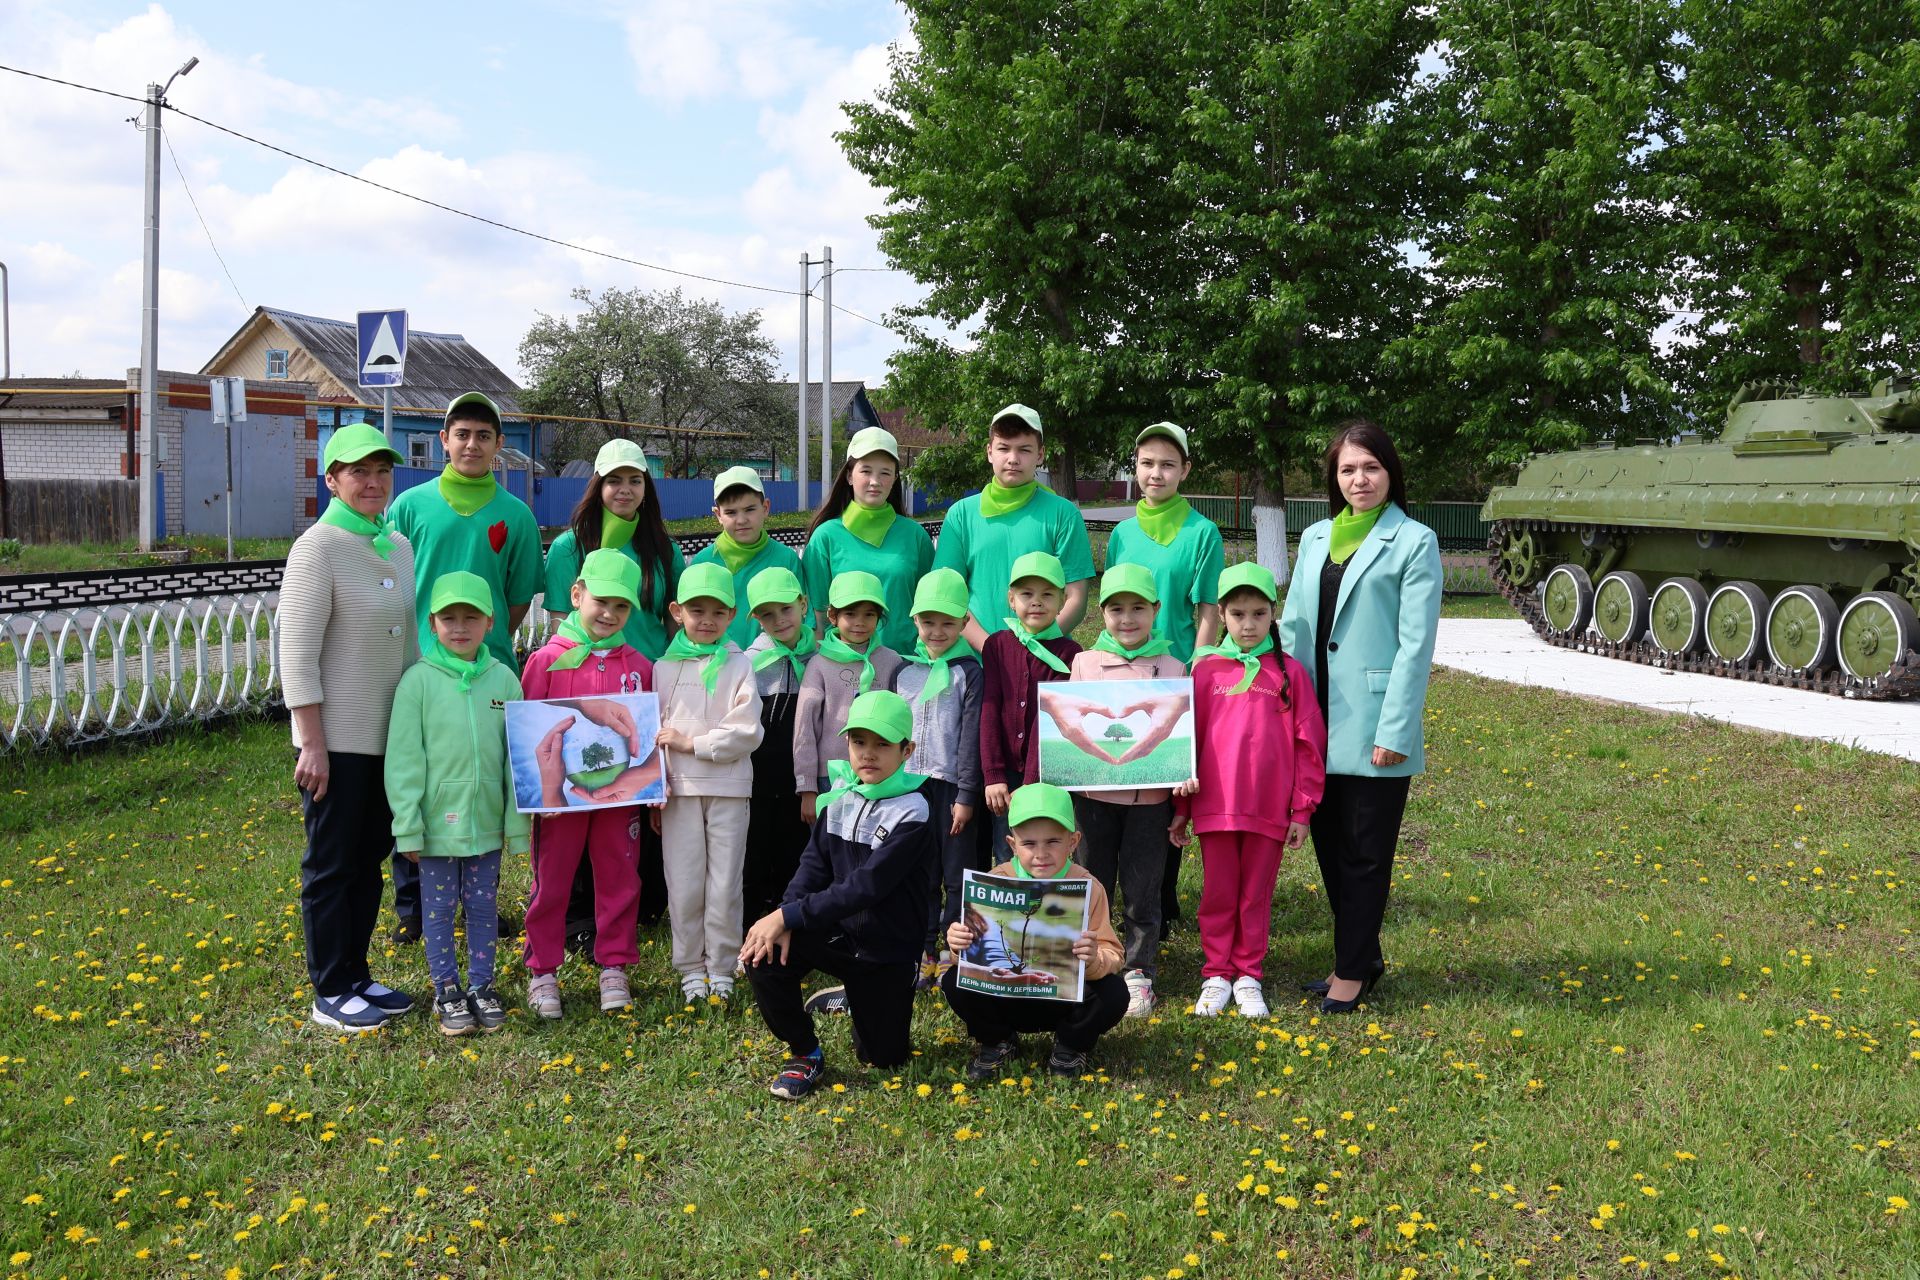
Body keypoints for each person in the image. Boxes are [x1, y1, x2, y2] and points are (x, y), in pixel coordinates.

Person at [1278, 420, 1441, 1014]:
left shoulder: (1415, 540)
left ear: (1391, 473)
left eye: (1370, 467)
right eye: (1348, 469)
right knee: (1327, 845)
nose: (1359, 479)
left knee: (1366, 852)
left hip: (1375, 722)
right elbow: (1296, 626)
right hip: (1315, 719)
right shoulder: (1317, 537)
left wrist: (1395, 731)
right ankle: (1363, 955)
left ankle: (1350, 971)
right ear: (1334, 478)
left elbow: (1414, 644)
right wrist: (1283, 708)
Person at [385, 392, 541, 945]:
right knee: (422, 773)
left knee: (484, 776)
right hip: (422, 668)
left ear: (499, 447)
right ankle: (413, 905)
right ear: (444, 441)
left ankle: (482, 899)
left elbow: (518, 596)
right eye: (461, 434)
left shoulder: (515, 515)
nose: (471, 444)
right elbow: (395, 586)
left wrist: (491, 640)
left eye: (483, 436)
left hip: (487, 669)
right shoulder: (409, 507)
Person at [281, 424, 418, 1029]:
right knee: (333, 862)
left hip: (390, 736)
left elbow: (411, 646)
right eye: (358, 471)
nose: (372, 481)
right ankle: (330, 988)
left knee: (371, 855)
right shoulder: (318, 546)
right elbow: (297, 650)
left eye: (381, 471)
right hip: (336, 739)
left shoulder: (397, 546)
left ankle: (357, 975)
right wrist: (311, 740)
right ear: (332, 479)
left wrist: (422, 726)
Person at [741, 690, 934, 1099]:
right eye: (859, 742)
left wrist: (789, 917)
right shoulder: (840, 801)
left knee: (883, 1058)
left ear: (907, 750)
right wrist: (784, 916)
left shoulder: (915, 811)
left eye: (883, 744)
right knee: (763, 953)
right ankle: (805, 1053)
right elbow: (812, 868)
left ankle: (854, 996)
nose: (868, 753)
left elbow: (865, 887)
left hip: (888, 951)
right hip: (839, 937)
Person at [541, 437, 683, 934]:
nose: (624, 489)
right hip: (584, 685)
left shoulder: (661, 549)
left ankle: (637, 905)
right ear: (597, 484)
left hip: (643, 685)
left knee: (631, 796)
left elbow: (671, 628)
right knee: (583, 787)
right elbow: (563, 624)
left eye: (634, 480)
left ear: (647, 487)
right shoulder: (568, 547)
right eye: (614, 479)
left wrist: (664, 682)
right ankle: (580, 912)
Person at [1174, 561, 1326, 1018]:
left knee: (1255, 894)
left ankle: (1248, 975)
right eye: (1238, 614)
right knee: (1219, 892)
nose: (1248, 624)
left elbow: (1309, 744)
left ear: (1272, 615)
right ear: (1221, 614)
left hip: (1268, 808)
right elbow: (1185, 742)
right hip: (1216, 807)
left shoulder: (1289, 673)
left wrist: (1302, 811)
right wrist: (1181, 808)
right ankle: (1217, 973)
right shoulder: (1203, 671)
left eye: (1259, 614)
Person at [383, 570, 529, 1036]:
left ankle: (481, 986)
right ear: (432, 622)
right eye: (449, 618)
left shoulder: (505, 680)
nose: (460, 627)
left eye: (471, 617)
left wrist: (517, 825)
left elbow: (517, 759)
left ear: (490, 622)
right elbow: (404, 761)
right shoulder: (417, 683)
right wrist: (408, 826)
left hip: (486, 823)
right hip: (435, 827)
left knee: (485, 907)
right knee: (439, 910)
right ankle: (447, 989)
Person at [1102, 421, 1227, 940]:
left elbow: (1208, 608)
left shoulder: (1202, 533)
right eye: (1148, 463)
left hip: (1174, 674)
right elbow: (1114, 600)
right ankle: (1118, 899)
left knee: (1166, 786)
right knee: (1125, 772)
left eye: (1168, 464)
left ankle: (1162, 894)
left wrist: (1196, 663)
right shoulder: (1122, 533)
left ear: (1185, 471)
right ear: (1136, 467)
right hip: (1127, 674)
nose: (1157, 473)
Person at [519, 549, 654, 1019]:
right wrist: (537, 793)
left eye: (622, 607)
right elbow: (529, 726)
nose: (610, 614)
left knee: (619, 874)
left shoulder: (639, 664)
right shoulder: (545, 661)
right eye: (601, 601)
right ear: (576, 594)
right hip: (560, 800)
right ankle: (542, 969)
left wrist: (650, 789)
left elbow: (647, 736)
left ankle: (613, 963)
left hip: (619, 799)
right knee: (552, 878)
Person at [1065, 563, 1188, 1018]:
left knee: (1143, 889)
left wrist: (1182, 781)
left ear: (1156, 610)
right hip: (1093, 802)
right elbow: (1072, 728)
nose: (1128, 618)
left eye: (1139, 608)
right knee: (1091, 883)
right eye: (1116, 609)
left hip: (1149, 805)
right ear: (1102, 613)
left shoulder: (1174, 666)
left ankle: (1139, 972)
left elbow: (1180, 734)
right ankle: (1087, 962)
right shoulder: (1084, 662)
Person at [942, 782, 1126, 1080]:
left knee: (1115, 993)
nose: (1041, 854)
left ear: (1074, 842)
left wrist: (1093, 959)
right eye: (1029, 844)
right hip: (1007, 997)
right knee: (953, 982)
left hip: (1062, 999)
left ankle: (1069, 1045)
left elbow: (1113, 953)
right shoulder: (995, 880)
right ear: (1012, 845)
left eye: (1053, 841)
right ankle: (998, 1041)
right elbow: (970, 959)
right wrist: (957, 944)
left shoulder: (1089, 887)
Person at [653, 561, 764, 1004]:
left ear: (732, 614)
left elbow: (748, 730)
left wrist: (691, 742)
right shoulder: (663, 667)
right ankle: (689, 967)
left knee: (724, 881)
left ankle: (721, 964)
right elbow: (651, 735)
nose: (707, 621)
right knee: (683, 880)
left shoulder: (740, 664)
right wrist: (654, 787)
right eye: (697, 611)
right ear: (678, 611)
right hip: (678, 792)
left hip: (729, 789)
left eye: (718, 612)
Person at [887, 566, 984, 987]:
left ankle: (952, 950)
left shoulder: (970, 672)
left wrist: (966, 794)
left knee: (955, 871)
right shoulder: (901, 672)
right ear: (915, 621)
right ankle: (923, 948)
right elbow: (891, 733)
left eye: (948, 622)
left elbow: (970, 737)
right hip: (909, 787)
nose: (938, 631)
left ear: (964, 623)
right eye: (929, 622)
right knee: (918, 872)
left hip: (950, 788)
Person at [930, 404, 1097, 649]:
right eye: (1003, 448)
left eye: (1024, 450)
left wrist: (1033, 648)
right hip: (978, 662)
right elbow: (949, 596)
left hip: (1045, 659)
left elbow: (1077, 598)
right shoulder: (961, 515)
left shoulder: (1063, 514)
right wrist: (993, 650)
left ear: (1040, 455)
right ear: (989, 452)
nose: (1013, 459)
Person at [800, 426, 934, 654]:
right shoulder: (826, 537)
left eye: (884, 472)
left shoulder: (915, 536)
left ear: (894, 478)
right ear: (849, 476)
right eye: (866, 471)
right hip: (843, 666)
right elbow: (818, 616)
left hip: (906, 665)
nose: (875, 481)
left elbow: (929, 607)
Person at [978, 551, 1084, 827]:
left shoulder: (1070, 653)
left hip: (1046, 773)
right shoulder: (997, 646)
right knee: (1007, 846)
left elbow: (1048, 718)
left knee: (1042, 844)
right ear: (1011, 600)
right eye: (1027, 594)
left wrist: (1032, 783)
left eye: (1048, 595)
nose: (1036, 602)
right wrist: (993, 774)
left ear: (1062, 601)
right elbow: (990, 707)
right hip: (1004, 774)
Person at [793, 571, 904, 824]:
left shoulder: (891, 661)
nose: (859, 622)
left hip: (881, 775)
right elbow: (805, 729)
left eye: (869, 614)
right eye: (850, 614)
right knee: (830, 851)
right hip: (830, 777)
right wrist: (808, 788)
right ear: (833, 616)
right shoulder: (819, 664)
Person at [740, 567, 817, 928]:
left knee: (796, 853)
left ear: (803, 605)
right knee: (754, 854)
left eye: (785, 609)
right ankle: (751, 925)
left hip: (801, 781)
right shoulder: (746, 663)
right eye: (767, 614)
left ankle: (792, 924)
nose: (779, 620)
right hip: (757, 779)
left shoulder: (822, 657)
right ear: (755, 618)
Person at [688, 465, 803, 650]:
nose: (741, 520)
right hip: (720, 668)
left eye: (749, 509)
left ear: (765, 508)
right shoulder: (703, 563)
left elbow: (803, 619)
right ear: (718, 514)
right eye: (731, 512)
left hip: (776, 668)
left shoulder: (787, 559)